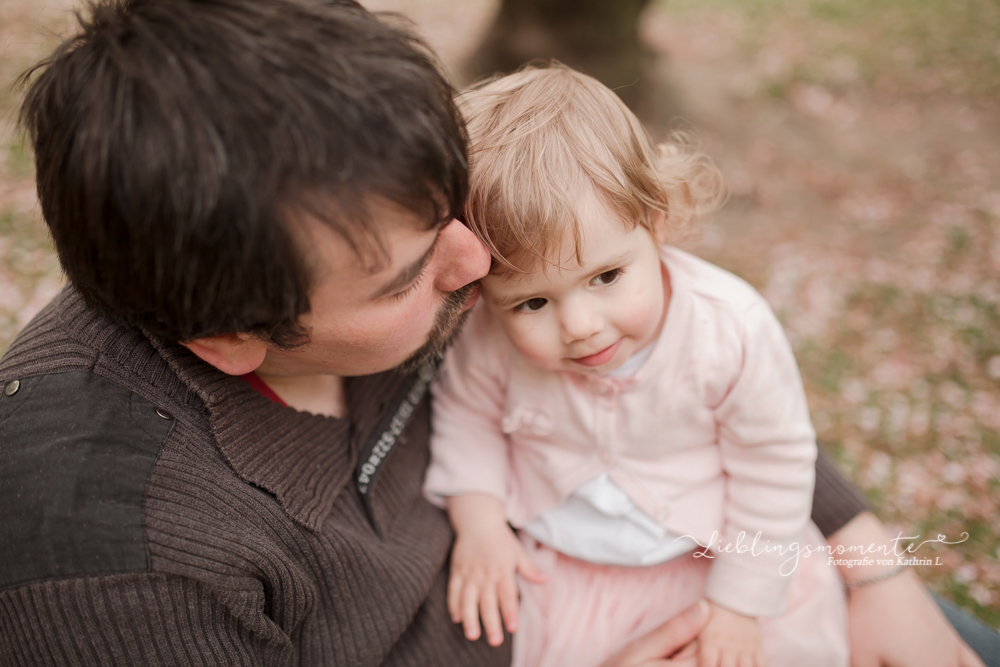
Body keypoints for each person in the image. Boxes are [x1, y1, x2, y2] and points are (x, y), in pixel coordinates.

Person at [0, 1, 991, 666]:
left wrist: (874, 563)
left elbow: (689, 400)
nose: (481, 267)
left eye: (451, 206)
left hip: (725, 562)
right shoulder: (116, 565)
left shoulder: (397, 223)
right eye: (409, 273)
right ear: (230, 338)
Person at [424, 64, 849, 667]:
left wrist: (740, 603)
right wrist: (482, 524)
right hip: (571, 576)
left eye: (605, 276)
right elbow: (468, 421)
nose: (580, 326)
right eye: (533, 302)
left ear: (655, 221)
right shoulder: (487, 339)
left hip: (716, 563)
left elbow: (773, 466)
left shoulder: (728, 330)